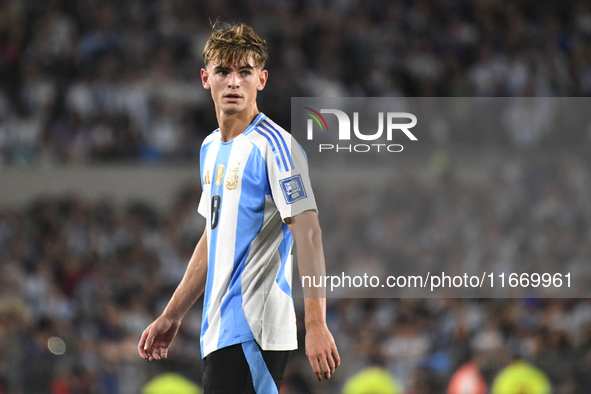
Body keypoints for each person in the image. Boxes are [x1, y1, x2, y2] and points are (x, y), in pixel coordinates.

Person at [137, 22, 340, 393]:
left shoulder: (276, 147)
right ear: (205, 78)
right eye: (223, 71)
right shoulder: (210, 148)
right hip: (218, 329)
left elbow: (308, 232)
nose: (233, 82)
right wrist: (173, 313)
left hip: (254, 326)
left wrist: (315, 322)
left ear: (261, 79)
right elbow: (213, 238)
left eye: (244, 72)